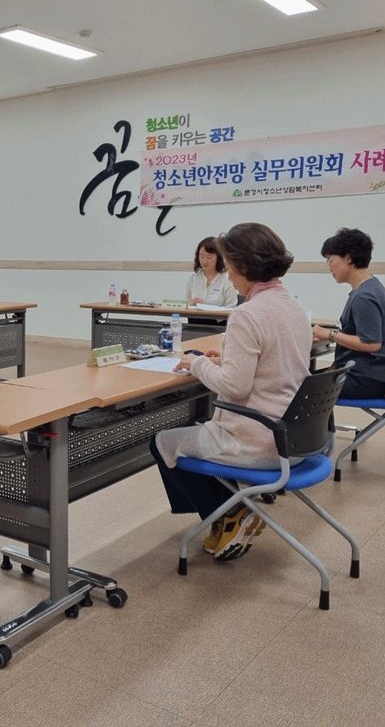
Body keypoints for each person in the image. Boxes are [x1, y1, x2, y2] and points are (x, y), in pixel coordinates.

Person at [151, 224, 311, 560]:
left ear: (241, 266)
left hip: (258, 440)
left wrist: (197, 364)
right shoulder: (295, 307)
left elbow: (235, 387)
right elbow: (275, 362)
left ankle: (227, 514)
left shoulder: (246, 314)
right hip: (297, 437)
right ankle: (230, 511)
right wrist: (227, 360)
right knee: (192, 431)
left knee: (163, 441)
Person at [312, 228, 385, 400]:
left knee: (296, 388)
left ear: (348, 258)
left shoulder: (364, 297)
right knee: (305, 381)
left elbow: (372, 344)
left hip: (367, 380)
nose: (329, 268)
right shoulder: (371, 286)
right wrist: (335, 366)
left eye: (330, 261)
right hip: (374, 374)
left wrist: (330, 334)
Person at [184, 236, 238, 308]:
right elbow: (186, 304)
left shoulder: (227, 279)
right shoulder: (193, 277)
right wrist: (190, 305)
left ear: (218, 258)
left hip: (220, 316)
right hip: (194, 315)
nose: (205, 261)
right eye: (202, 257)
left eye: (209, 257)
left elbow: (231, 308)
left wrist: (205, 306)